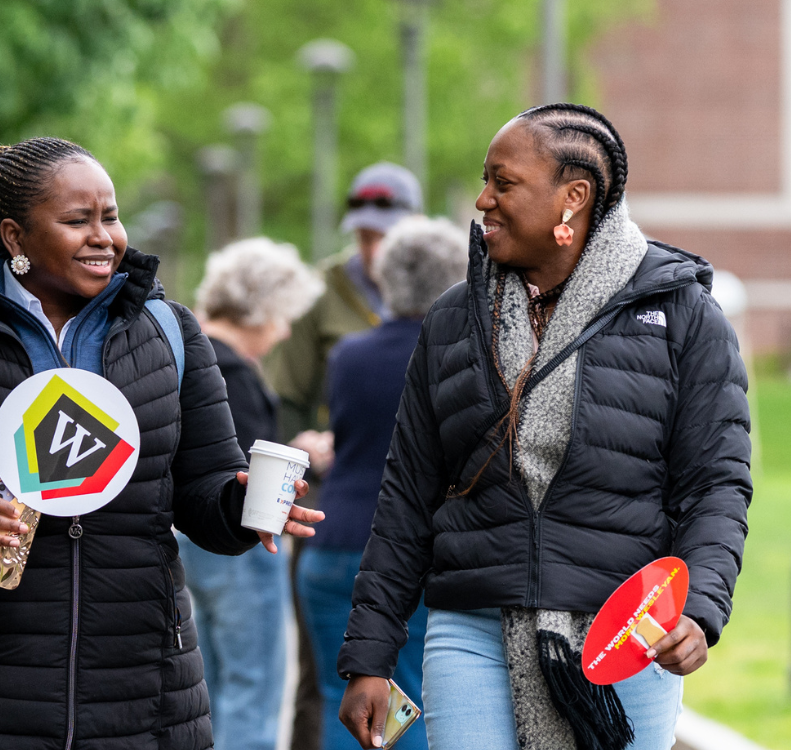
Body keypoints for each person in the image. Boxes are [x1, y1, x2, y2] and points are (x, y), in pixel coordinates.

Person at [0, 137, 324, 748]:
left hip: (145, 697)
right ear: (14, 237)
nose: (105, 237)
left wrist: (242, 507)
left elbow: (205, 490)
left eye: (111, 216)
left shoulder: (170, 334)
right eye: (77, 221)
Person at [338, 104, 751, 750]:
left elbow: (716, 485)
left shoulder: (683, 315)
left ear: (573, 198)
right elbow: (406, 495)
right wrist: (369, 655)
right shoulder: (451, 321)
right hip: (471, 628)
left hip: (624, 636)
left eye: (504, 183)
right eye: (485, 181)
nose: (483, 200)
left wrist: (698, 608)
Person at [300, 216, 465, 750]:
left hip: (332, 543)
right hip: (409, 560)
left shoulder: (349, 355)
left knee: (339, 697)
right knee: (407, 705)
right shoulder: (456, 358)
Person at [181, 236, 325, 750]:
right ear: (261, 307)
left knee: (213, 685)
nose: (285, 329)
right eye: (282, 315)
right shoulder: (234, 372)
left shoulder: (188, 355)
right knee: (254, 687)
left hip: (192, 546)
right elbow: (241, 470)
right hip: (241, 548)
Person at [261, 162, 421, 445]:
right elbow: (287, 395)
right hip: (341, 464)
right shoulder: (319, 291)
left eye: (386, 238)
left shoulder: (439, 290)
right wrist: (302, 445)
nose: (374, 252)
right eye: (364, 237)